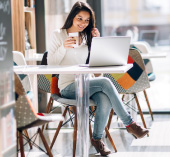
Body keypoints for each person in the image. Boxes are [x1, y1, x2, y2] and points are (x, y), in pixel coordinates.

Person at [48, 1, 149, 156]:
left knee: (104, 97)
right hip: (68, 86)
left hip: (88, 84)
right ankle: (130, 124)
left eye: (87, 20)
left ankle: (97, 140)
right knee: (106, 82)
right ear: (72, 17)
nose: (83, 23)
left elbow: (97, 74)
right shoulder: (58, 34)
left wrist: (97, 44)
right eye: (79, 18)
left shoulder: (87, 37)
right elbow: (51, 64)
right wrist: (63, 47)